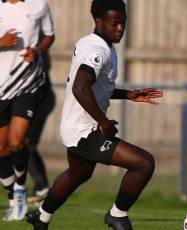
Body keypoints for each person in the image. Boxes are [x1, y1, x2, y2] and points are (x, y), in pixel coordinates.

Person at [26, 0, 163, 229]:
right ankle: (117, 215)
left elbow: (92, 86)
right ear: (99, 21)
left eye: (123, 23)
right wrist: (104, 123)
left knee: (78, 174)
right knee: (143, 163)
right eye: (114, 23)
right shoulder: (97, 50)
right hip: (85, 130)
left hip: (76, 125)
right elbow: (80, 87)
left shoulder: (95, 43)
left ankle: (41, 217)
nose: (120, 28)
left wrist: (128, 94)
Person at [0, 0, 55, 221]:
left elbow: (49, 36)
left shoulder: (39, 4)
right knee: (2, 148)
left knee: (16, 142)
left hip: (28, 83)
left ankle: (21, 189)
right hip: (1, 87)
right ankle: (13, 199)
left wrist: (38, 50)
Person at [26, 44, 55, 204]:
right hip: (27, 100)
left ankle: (42, 188)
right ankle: (40, 187)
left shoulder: (36, 45)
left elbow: (44, 68)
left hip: (41, 100)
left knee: (26, 143)